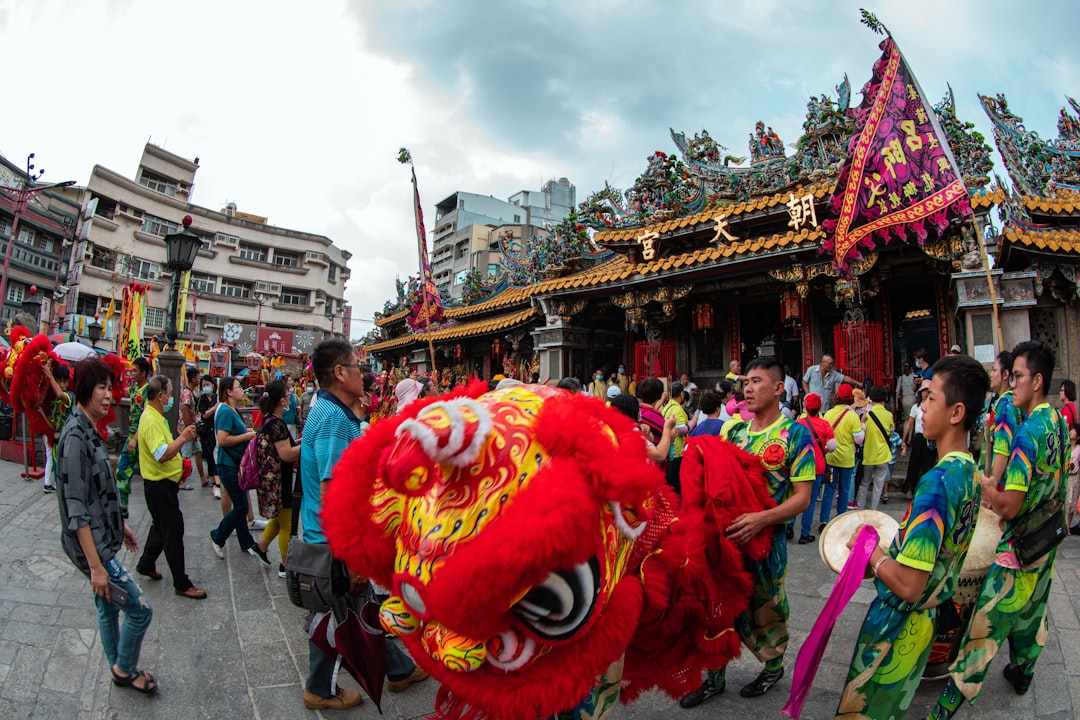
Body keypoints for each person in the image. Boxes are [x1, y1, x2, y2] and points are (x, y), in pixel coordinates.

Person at [837, 355, 988, 719]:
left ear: (956, 412)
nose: (921, 406)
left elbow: (908, 585)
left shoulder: (936, 483)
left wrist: (870, 551)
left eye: (930, 398)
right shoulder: (969, 469)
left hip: (900, 625)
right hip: (929, 618)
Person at [931, 341, 1069, 718]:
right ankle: (1023, 669)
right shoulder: (1056, 420)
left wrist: (986, 484)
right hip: (1048, 535)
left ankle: (946, 706)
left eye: (1018, 376)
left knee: (985, 624)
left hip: (1020, 544)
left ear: (1037, 381)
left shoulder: (1028, 434)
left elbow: (1008, 505)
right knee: (1033, 608)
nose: (1011, 383)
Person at [680, 357, 815, 708]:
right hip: (724, 542)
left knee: (766, 607)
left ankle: (773, 667)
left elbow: (802, 498)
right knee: (716, 607)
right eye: (746, 382)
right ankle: (714, 676)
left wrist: (762, 519)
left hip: (767, 543)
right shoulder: (733, 431)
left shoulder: (795, 434)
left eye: (756, 381)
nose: (749, 388)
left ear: (778, 388)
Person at [300, 341, 428, 710]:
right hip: (331, 540)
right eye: (357, 366)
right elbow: (333, 489)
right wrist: (348, 554)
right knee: (337, 611)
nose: (363, 372)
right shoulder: (334, 419)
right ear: (340, 373)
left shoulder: (332, 411)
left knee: (357, 608)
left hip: (332, 535)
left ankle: (399, 669)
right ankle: (319, 690)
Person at [57, 356, 156, 694]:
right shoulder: (74, 438)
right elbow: (76, 510)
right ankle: (125, 667)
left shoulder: (88, 429)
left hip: (102, 537)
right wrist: (97, 566)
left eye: (110, 388)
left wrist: (120, 526)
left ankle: (119, 667)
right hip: (92, 548)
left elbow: (99, 493)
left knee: (107, 604)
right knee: (140, 609)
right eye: (101, 388)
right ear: (85, 390)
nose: (108, 396)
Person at [135, 374, 207, 599]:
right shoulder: (151, 419)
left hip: (163, 483)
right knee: (173, 531)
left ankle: (146, 563)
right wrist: (184, 437)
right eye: (169, 393)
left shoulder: (156, 416)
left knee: (161, 526)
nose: (172, 398)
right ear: (160, 395)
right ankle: (181, 582)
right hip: (159, 485)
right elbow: (162, 454)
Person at [209, 376, 271, 566]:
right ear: (229, 391)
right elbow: (223, 439)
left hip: (235, 464)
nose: (241, 390)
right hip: (227, 465)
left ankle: (246, 542)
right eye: (238, 387)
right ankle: (218, 536)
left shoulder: (233, 410)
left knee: (241, 503)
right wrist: (246, 435)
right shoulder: (226, 411)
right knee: (242, 506)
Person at [252, 380, 299, 578]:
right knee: (287, 522)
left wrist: (300, 441)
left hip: (273, 480)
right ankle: (285, 564)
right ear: (281, 400)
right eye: (288, 394)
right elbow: (286, 454)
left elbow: (285, 446)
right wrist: (310, 445)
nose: (290, 396)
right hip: (279, 481)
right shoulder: (277, 424)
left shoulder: (269, 420)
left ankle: (261, 547)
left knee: (280, 519)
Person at [819, 383, 864, 529]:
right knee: (844, 490)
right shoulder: (853, 416)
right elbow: (858, 439)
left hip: (831, 458)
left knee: (829, 489)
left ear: (836, 397)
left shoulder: (829, 413)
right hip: (846, 459)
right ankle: (841, 519)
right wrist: (863, 426)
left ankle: (824, 520)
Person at [796, 393, 836, 544]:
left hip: (799, 466)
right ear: (820, 408)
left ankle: (789, 527)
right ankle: (805, 534)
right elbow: (832, 446)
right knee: (811, 500)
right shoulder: (824, 424)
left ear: (805, 407)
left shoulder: (798, 423)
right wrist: (823, 450)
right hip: (817, 466)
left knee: (795, 497)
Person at [979, 351, 1022, 490]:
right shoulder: (1009, 401)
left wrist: (992, 484)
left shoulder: (1005, 404)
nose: (991, 374)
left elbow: (1002, 449)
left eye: (994, 370)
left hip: (1004, 482)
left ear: (1005, 375)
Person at [115, 357, 150, 518]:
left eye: (135, 370)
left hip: (142, 438)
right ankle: (122, 506)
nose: (133, 373)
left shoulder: (148, 392)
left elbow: (145, 417)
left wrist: (135, 439)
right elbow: (122, 392)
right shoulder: (135, 388)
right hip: (132, 436)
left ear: (144, 373)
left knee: (151, 477)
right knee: (122, 469)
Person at [853, 386, 895, 510]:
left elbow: (860, 433)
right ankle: (874, 509)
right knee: (878, 485)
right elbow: (891, 432)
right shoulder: (889, 415)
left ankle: (860, 507)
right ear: (884, 399)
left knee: (864, 483)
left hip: (868, 455)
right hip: (883, 455)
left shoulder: (866, 415)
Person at [610, 392, 675, 464]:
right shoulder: (632, 434)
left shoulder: (609, 431)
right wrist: (667, 428)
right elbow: (659, 455)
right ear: (634, 412)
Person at [662, 381, 690, 493]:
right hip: (677, 450)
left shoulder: (668, 406)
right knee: (676, 483)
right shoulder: (677, 409)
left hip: (669, 448)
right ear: (682, 394)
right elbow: (681, 429)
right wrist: (692, 423)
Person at [196, 374, 221, 499]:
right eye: (204, 385)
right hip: (206, 431)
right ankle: (213, 479)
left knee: (215, 454)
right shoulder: (202, 399)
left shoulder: (217, 397)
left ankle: (216, 480)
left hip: (216, 429)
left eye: (208, 384)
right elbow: (204, 414)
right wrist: (213, 408)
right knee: (209, 454)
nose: (206, 387)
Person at [178, 367, 203, 490]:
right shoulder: (187, 393)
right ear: (193, 379)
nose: (199, 380)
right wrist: (189, 428)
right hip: (187, 429)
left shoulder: (191, 392)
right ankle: (181, 481)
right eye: (198, 377)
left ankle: (202, 478)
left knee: (198, 451)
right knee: (186, 455)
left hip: (192, 428)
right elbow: (185, 411)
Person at [635, 377, 666, 446]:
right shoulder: (655, 415)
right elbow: (668, 435)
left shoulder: (637, 409)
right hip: (655, 451)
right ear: (660, 395)